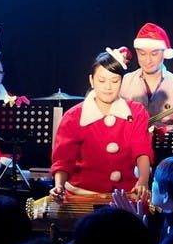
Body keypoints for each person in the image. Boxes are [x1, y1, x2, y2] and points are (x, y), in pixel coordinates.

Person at [51, 47, 152, 201]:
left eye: (114, 81)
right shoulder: (73, 116)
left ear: (122, 82)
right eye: (102, 80)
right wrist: (59, 185)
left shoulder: (136, 112)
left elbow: (142, 150)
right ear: (91, 80)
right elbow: (63, 159)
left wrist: (143, 181)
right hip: (81, 195)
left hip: (125, 195)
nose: (108, 87)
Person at [119, 22, 173, 131]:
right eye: (142, 54)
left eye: (154, 54)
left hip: (166, 141)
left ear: (165, 53)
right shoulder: (125, 82)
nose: (148, 60)